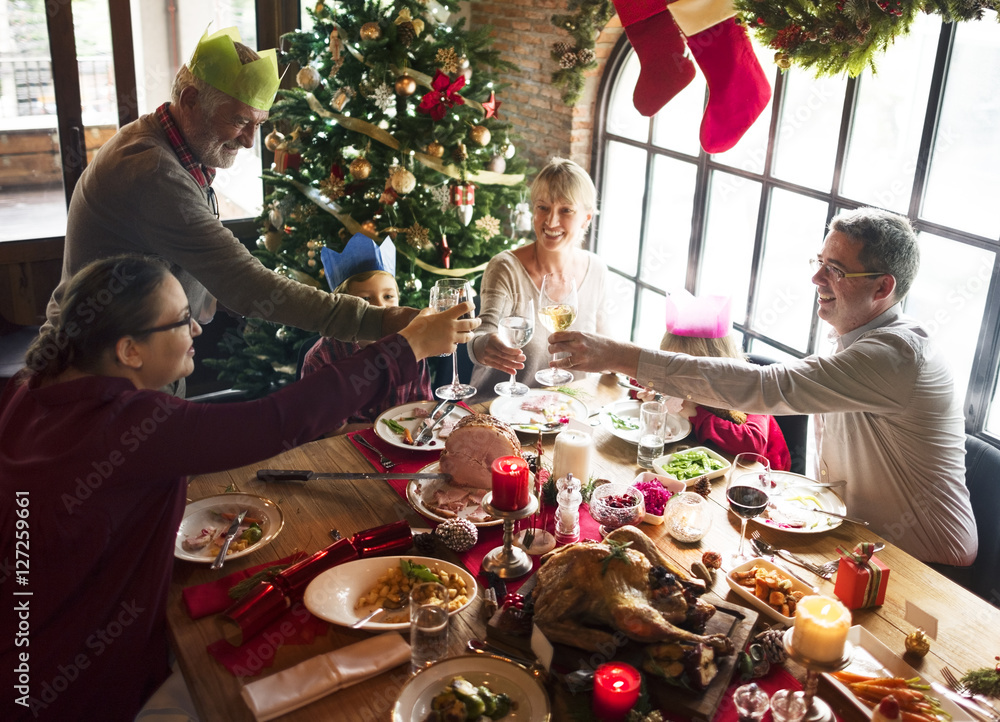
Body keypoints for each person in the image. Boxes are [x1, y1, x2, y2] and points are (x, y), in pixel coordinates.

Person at [0, 255, 477, 721]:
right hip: (64, 680)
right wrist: (405, 345)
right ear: (129, 351)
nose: (197, 331)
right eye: (182, 320)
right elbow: (276, 422)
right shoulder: (124, 426)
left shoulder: (30, 388)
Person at [547, 207, 977, 569]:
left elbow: (767, 387)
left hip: (925, 561)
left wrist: (621, 355)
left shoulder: (896, 355)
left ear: (883, 287)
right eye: (820, 262)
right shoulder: (854, 340)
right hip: (855, 541)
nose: (817, 279)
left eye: (837, 270)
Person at [44, 27, 417, 389]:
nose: (250, 140)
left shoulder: (168, 146)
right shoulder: (154, 171)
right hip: (100, 375)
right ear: (189, 100)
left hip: (128, 365)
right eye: (240, 120)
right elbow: (245, 283)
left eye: (259, 124)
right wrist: (386, 322)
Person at [467, 157, 611, 400]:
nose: (551, 222)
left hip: (565, 413)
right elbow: (480, 339)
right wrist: (485, 346)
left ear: (586, 218)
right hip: (497, 412)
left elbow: (607, 354)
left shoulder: (597, 270)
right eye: (543, 207)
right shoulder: (505, 267)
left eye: (566, 210)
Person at [637, 291, 791, 471]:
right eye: (671, 363)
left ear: (716, 366)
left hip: (761, 479)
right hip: (706, 461)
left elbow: (752, 445)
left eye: (685, 369)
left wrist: (695, 415)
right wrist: (653, 397)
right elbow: (645, 383)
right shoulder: (681, 380)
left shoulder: (750, 387)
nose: (676, 376)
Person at [300, 233, 433, 434]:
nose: (381, 306)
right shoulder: (320, 358)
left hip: (404, 444)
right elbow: (330, 430)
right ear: (344, 306)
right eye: (365, 299)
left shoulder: (412, 344)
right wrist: (388, 432)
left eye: (388, 296)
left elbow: (421, 408)